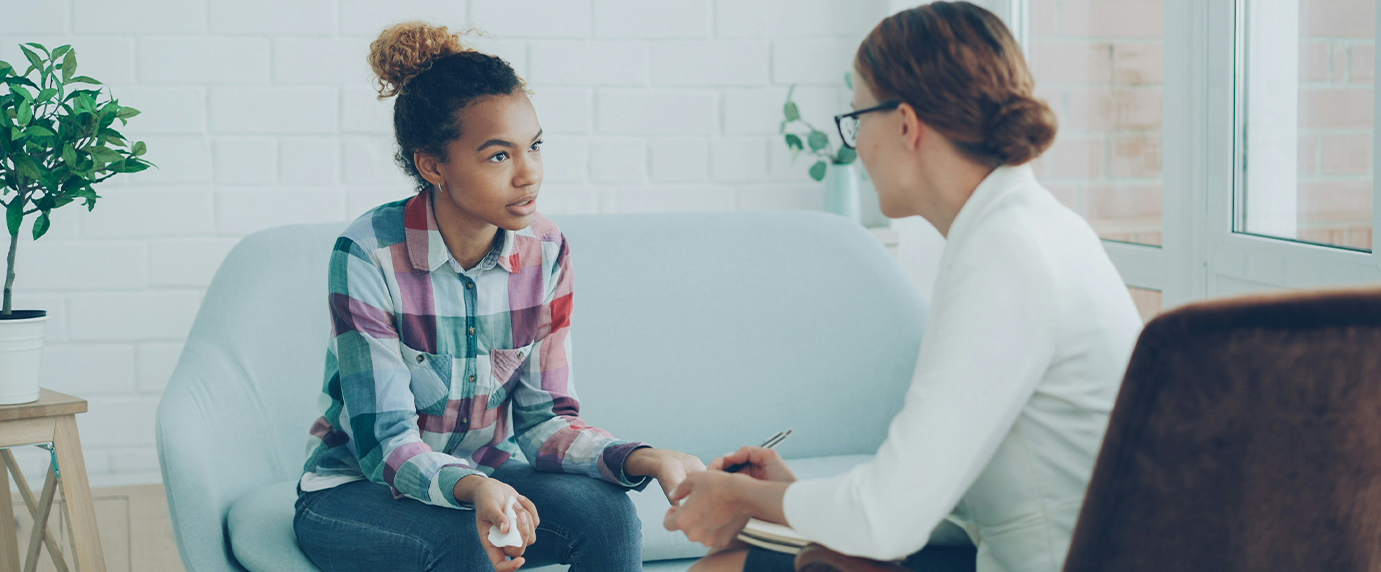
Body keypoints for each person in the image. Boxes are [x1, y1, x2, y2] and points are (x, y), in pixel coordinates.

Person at [663, 3, 1143, 572]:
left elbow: (887, 521)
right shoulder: (1027, 228)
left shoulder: (1006, 254)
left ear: (906, 124)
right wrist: (788, 499)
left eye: (857, 117)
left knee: (719, 570)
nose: (858, 144)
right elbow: (945, 492)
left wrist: (744, 496)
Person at [292, 22, 704, 572]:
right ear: (433, 165)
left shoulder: (547, 250)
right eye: (498, 156)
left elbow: (545, 420)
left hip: (489, 477)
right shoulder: (367, 254)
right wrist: (474, 489)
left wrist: (647, 459)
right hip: (353, 492)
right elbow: (384, 443)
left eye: (533, 146)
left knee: (608, 517)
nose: (529, 174)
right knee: (464, 541)